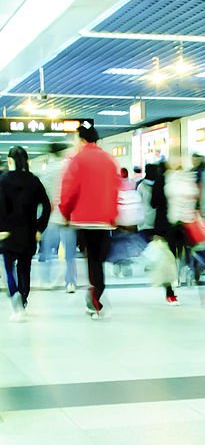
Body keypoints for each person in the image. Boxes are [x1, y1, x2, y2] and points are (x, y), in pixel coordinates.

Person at [59, 124, 119, 318]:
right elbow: (115, 190)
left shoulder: (78, 160)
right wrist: (112, 215)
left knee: (92, 259)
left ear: (82, 140)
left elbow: (69, 191)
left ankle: (95, 297)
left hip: (84, 220)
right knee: (97, 259)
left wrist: (65, 213)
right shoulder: (109, 160)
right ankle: (96, 293)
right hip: (104, 219)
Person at [0, 146, 51, 320]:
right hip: (29, 234)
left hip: (8, 234)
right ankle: (23, 299)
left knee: (8, 268)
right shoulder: (34, 181)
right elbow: (46, 206)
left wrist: (2, 228)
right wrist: (39, 228)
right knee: (24, 269)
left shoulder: (3, 180)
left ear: (10, 161)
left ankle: (14, 294)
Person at [37, 142, 78, 292]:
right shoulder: (70, 168)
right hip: (68, 216)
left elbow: (43, 195)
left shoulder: (47, 170)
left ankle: (46, 280)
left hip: (52, 216)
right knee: (70, 253)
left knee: (47, 250)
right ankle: (70, 282)